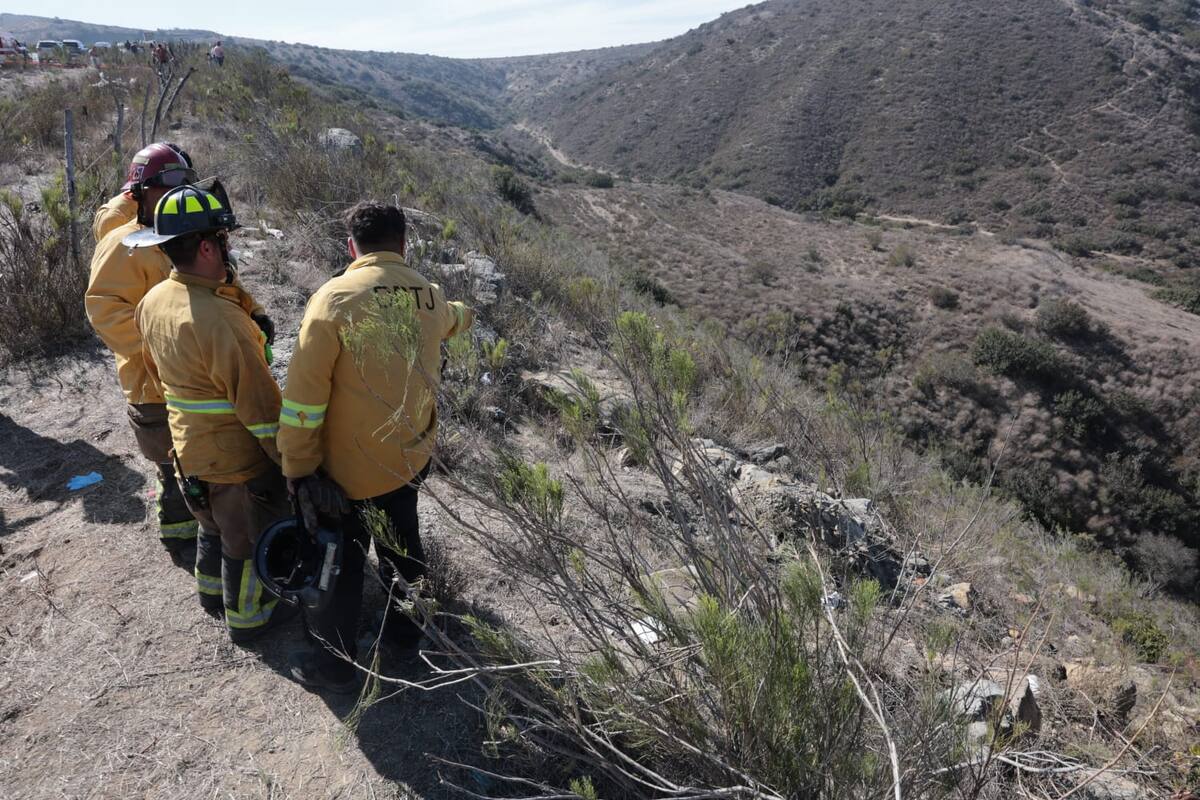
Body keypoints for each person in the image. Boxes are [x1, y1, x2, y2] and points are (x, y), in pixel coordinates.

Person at [278, 202, 473, 692]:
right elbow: (452, 319)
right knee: (403, 548)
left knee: (339, 567)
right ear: (403, 244)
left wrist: (298, 467)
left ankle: (339, 667)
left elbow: (304, 400)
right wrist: (467, 314)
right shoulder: (428, 296)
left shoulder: (333, 300)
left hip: (344, 472)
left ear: (352, 247)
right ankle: (406, 641)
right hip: (408, 459)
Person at [86, 144, 275, 567]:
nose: (181, 194)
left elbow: (223, 281)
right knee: (175, 475)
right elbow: (102, 309)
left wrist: (255, 313)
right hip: (153, 387)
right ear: (141, 192)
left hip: (193, 380)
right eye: (173, 185)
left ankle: (205, 541)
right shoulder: (123, 245)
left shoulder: (191, 230)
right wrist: (166, 344)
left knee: (198, 475)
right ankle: (182, 541)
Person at [129, 185, 293, 642]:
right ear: (206, 246)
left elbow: (153, 371)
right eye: (224, 240)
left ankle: (210, 594)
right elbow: (262, 411)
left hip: (188, 446)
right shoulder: (222, 322)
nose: (230, 248)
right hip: (235, 459)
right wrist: (293, 465)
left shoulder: (154, 301)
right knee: (243, 537)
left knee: (211, 525)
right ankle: (248, 617)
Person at [93, 143, 193, 242]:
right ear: (142, 188)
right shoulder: (115, 218)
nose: (177, 191)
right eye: (172, 180)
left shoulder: (167, 207)